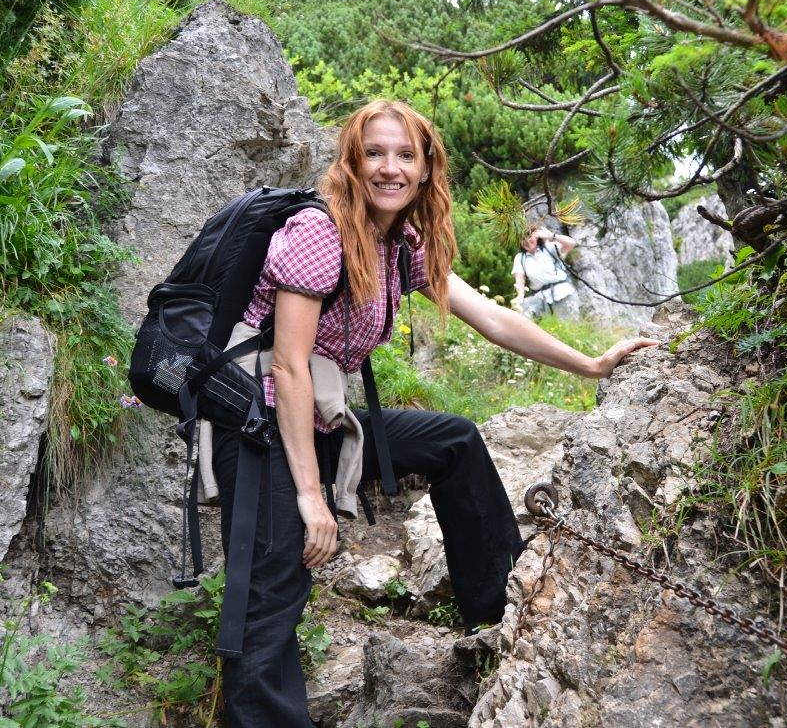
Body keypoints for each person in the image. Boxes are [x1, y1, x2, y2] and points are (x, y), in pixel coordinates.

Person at [213, 99, 657, 727]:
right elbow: (286, 367)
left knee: (453, 441)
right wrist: (311, 497)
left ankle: (495, 619)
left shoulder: (401, 244)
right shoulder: (320, 232)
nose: (388, 168)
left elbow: (492, 317)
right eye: (374, 153)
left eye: (404, 155)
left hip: (322, 419)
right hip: (261, 427)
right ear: (351, 161)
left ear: (425, 170)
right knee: (273, 588)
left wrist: (589, 365)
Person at [512, 225, 577, 318]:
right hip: (541, 298)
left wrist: (551, 236)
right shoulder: (520, 258)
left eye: (529, 236)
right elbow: (519, 279)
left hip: (563, 293)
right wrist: (520, 296)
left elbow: (571, 243)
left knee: (570, 328)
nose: (527, 241)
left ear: (536, 236)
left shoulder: (549, 248)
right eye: (522, 239)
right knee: (522, 315)